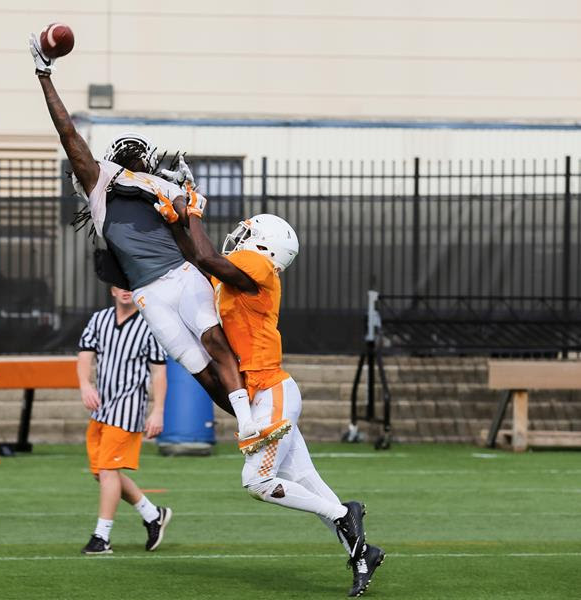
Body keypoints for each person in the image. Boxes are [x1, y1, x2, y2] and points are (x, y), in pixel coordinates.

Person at [29, 34, 287, 454]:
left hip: (182, 275)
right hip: (149, 293)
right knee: (198, 369)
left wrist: (188, 202)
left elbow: (189, 234)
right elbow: (68, 134)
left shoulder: (162, 186)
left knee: (215, 342)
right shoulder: (101, 185)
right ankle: (251, 424)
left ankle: (250, 425)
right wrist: (45, 75)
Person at [157, 191, 385, 597]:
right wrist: (176, 222)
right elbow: (198, 259)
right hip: (268, 391)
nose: (239, 238)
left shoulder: (258, 265)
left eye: (248, 234)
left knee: (258, 483)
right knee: (306, 482)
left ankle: (344, 514)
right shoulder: (244, 272)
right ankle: (363, 552)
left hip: (270, 389)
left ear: (264, 246)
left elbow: (208, 258)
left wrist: (192, 213)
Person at [77, 286, 171, 554]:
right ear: (111, 289)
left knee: (107, 471)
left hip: (128, 409)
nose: (125, 291)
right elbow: (85, 354)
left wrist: (158, 410)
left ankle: (101, 537)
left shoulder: (149, 324)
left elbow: (158, 372)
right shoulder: (99, 319)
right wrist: (85, 385)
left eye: (129, 285)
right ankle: (152, 514)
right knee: (103, 472)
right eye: (120, 285)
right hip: (102, 407)